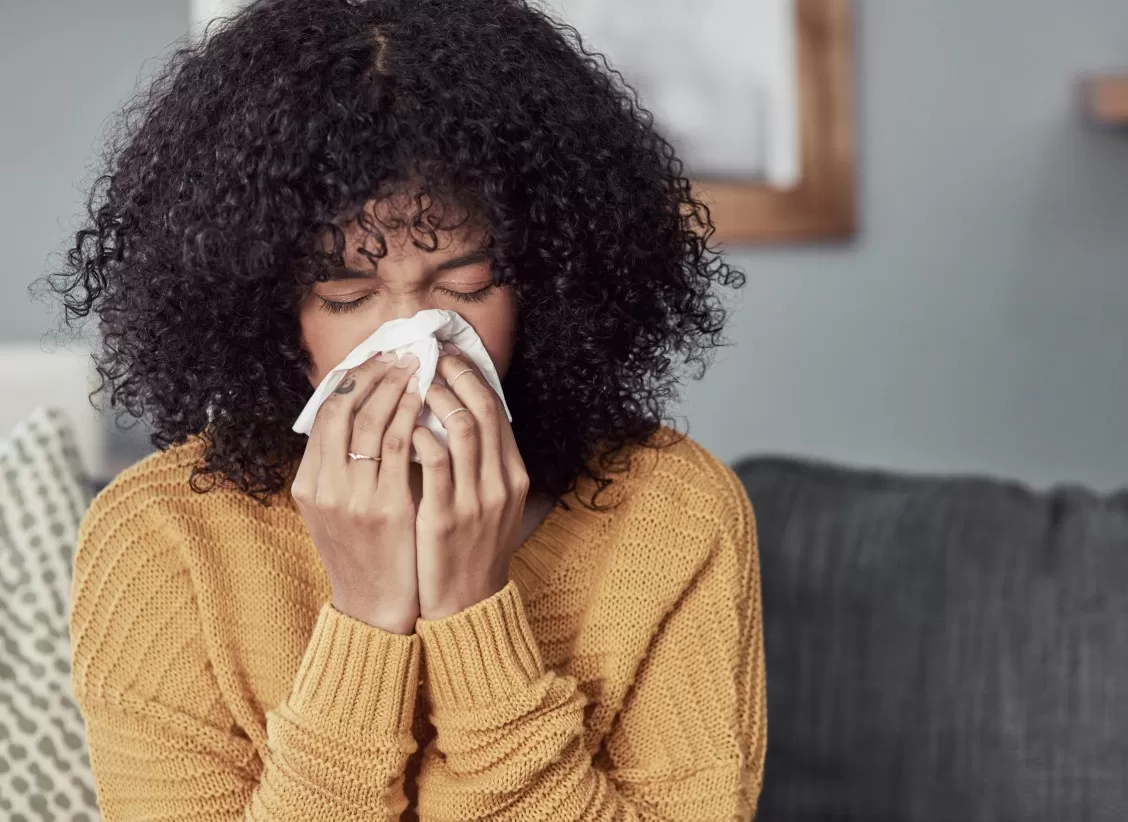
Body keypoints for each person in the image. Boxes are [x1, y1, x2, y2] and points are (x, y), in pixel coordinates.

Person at [50, 0, 765, 818]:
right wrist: (364, 619)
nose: (411, 339)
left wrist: (473, 615)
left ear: (549, 283)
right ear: (264, 309)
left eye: (464, 287)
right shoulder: (162, 537)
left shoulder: (675, 514)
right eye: (348, 293)